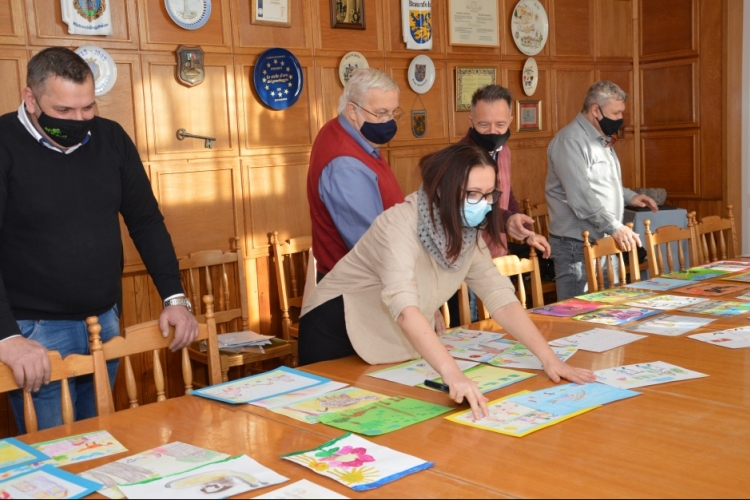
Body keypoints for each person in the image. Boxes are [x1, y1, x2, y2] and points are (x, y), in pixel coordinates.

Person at [299, 143, 595, 419]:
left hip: (381, 337)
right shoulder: (398, 224)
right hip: (334, 327)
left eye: (489, 194)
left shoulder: (467, 231)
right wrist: (453, 375)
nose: (483, 203)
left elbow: (500, 297)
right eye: (472, 194)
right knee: (334, 420)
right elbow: (403, 306)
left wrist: (549, 358)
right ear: (444, 189)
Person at [0, 47, 198, 433]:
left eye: (88, 107)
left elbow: (146, 222)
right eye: (64, 111)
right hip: (33, 331)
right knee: (55, 455)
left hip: (103, 320)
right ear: (30, 98)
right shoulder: (3, 143)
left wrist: (174, 297)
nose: (79, 120)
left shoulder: (111, 138)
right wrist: (7, 337)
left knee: (99, 442)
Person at [546, 80, 658, 301]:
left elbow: (603, 182)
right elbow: (581, 196)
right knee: (576, 315)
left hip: (604, 238)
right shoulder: (570, 140)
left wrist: (630, 196)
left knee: (610, 307)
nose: (620, 119)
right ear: (595, 110)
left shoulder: (599, 138)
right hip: (575, 245)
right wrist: (616, 227)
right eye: (615, 113)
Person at [307, 68, 405, 282]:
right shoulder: (346, 166)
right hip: (356, 289)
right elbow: (373, 246)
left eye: (393, 112)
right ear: (352, 110)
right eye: (381, 113)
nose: (389, 121)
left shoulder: (345, 132)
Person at [459, 84, 550, 259]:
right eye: (484, 124)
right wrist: (508, 220)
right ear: (471, 122)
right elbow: (471, 207)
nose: (492, 132)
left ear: (510, 121)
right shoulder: (462, 157)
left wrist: (527, 233)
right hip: (469, 259)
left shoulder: (504, 150)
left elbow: (506, 196)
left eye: (500, 124)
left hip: (498, 252)